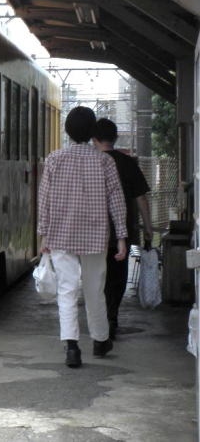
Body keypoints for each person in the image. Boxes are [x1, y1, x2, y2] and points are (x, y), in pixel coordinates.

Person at [38, 106, 128, 368]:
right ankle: (100, 341)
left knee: (67, 290)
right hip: (95, 235)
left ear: (67, 130)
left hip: (61, 234)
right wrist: (121, 236)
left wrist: (44, 235)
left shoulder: (54, 159)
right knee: (94, 290)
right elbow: (116, 200)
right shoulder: (105, 161)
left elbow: (44, 200)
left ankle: (72, 348)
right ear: (92, 132)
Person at [92, 118, 154, 339]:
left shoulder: (91, 162)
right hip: (121, 231)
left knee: (96, 278)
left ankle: (100, 322)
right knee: (117, 278)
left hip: (93, 232)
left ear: (94, 139)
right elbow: (141, 198)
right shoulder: (128, 163)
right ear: (115, 138)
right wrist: (148, 227)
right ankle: (112, 317)